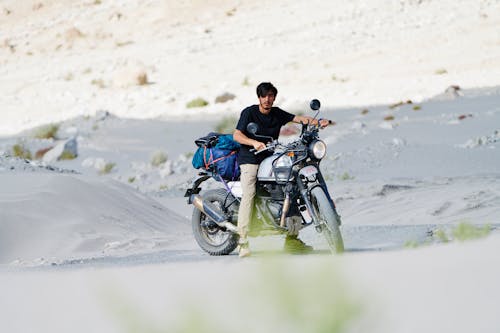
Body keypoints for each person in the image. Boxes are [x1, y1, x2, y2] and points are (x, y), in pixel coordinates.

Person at [233, 82, 331, 258]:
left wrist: (319, 122)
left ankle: (292, 240)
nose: (268, 99)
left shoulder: (277, 112)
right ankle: (242, 240)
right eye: (265, 96)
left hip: (270, 158)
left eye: (271, 96)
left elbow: (298, 119)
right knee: (249, 193)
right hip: (251, 158)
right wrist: (254, 142)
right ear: (259, 97)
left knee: (290, 189)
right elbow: (237, 135)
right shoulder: (249, 112)